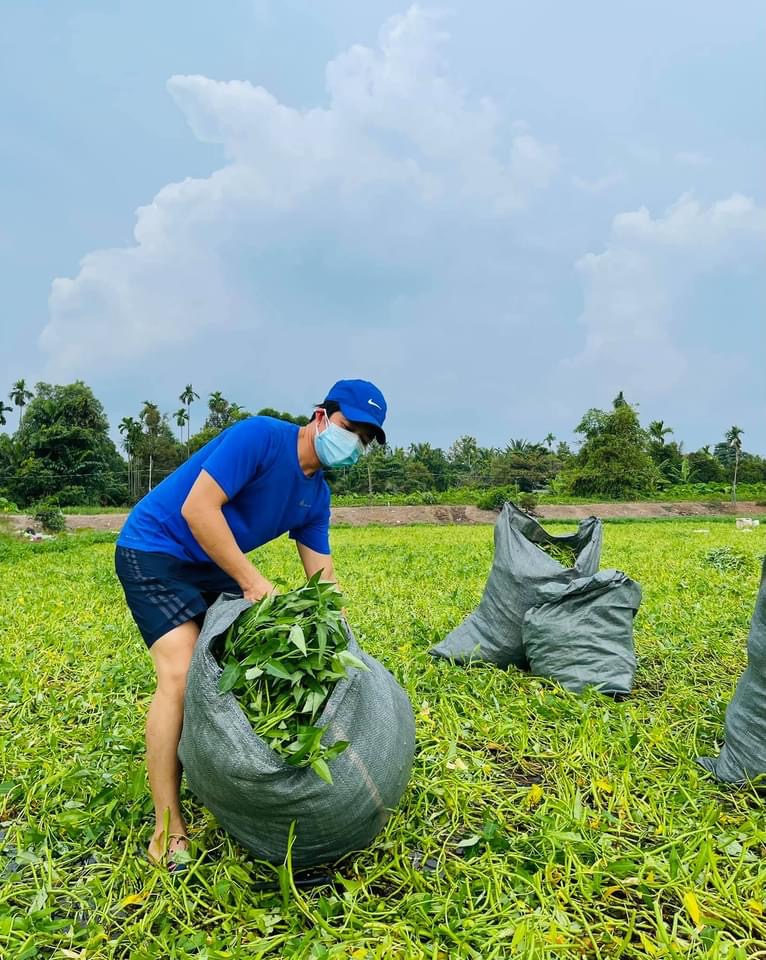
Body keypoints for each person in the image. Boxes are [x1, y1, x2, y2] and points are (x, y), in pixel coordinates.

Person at [114, 379, 386, 870]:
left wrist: (345, 636)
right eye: (351, 428)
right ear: (321, 416)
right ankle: (166, 827)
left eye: (366, 439)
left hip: (214, 565)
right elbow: (196, 509)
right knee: (179, 674)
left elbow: (323, 577)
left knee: (228, 666)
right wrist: (252, 580)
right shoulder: (259, 437)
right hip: (155, 551)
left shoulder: (315, 496)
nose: (355, 444)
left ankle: (207, 766)